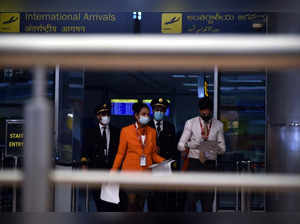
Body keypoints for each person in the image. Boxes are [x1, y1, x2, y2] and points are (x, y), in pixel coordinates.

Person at [111, 102, 165, 212]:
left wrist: (165, 162)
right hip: (130, 174)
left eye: (148, 114)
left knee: (140, 204)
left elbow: (153, 154)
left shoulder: (152, 132)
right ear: (136, 115)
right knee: (131, 204)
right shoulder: (126, 131)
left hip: (146, 174)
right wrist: (114, 170)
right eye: (143, 114)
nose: (147, 117)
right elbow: (120, 154)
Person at [177, 97, 226, 212]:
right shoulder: (191, 123)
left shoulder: (218, 125)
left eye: (207, 110)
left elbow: (223, 149)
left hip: (209, 165)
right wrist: (193, 144)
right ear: (199, 110)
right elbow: (180, 145)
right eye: (202, 110)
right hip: (194, 164)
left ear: (211, 111)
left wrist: (208, 146)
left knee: (208, 202)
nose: (205, 112)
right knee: (191, 201)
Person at [81, 102, 121, 212]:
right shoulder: (90, 132)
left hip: (112, 171)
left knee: (111, 202)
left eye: (107, 113)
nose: (106, 116)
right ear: (98, 116)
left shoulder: (116, 131)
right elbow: (85, 151)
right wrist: (84, 167)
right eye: (103, 114)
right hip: (96, 170)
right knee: (99, 201)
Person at [147, 97, 179, 212]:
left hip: (166, 166)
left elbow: (174, 149)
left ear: (165, 112)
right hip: (151, 166)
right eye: (157, 109)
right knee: (152, 198)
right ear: (153, 110)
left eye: (161, 110)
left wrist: (173, 165)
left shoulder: (170, 127)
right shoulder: (147, 126)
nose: (159, 112)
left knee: (166, 198)